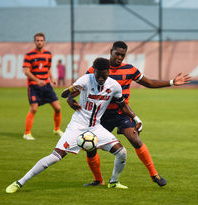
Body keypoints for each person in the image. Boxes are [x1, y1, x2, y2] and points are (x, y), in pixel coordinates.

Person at [6, 57, 142, 193]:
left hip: (96, 127)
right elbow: (65, 94)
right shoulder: (86, 79)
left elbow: (123, 106)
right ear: (94, 71)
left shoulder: (114, 85)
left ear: (108, 73)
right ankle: (19, 182)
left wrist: (136, 119)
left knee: (122, 152)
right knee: (55, 157)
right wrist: (71, 91)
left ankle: (113, 182)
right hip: (77, 126)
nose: (101, 79)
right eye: (99, 75)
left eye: (104, 76)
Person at [75, 41, 191, 187]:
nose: (119, 57)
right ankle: (98, 180)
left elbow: (149, 83)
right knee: (90, 147)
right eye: (117, 53)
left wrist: (172, 82)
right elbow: (83, 85)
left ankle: (154, 174)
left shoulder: (130, 69)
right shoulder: (98, 68)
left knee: (135, 139)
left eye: (122, 55)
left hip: (122, 112)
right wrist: (72, 98)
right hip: (101, 115)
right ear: (111, 51)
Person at [23, 32, 63, 140]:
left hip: (46, 85)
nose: (39, 42)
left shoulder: (48, 54)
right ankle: (27, 133)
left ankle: (56, 129)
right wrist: (37, 80)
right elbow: (26, 71)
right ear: (34, 41)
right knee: (34, 108)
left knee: (58, 108)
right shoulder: (29, 55)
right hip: (34, 86)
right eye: (37, 40)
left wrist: (52, 79)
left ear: (44, 41)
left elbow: (48, 68)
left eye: (41, 40)